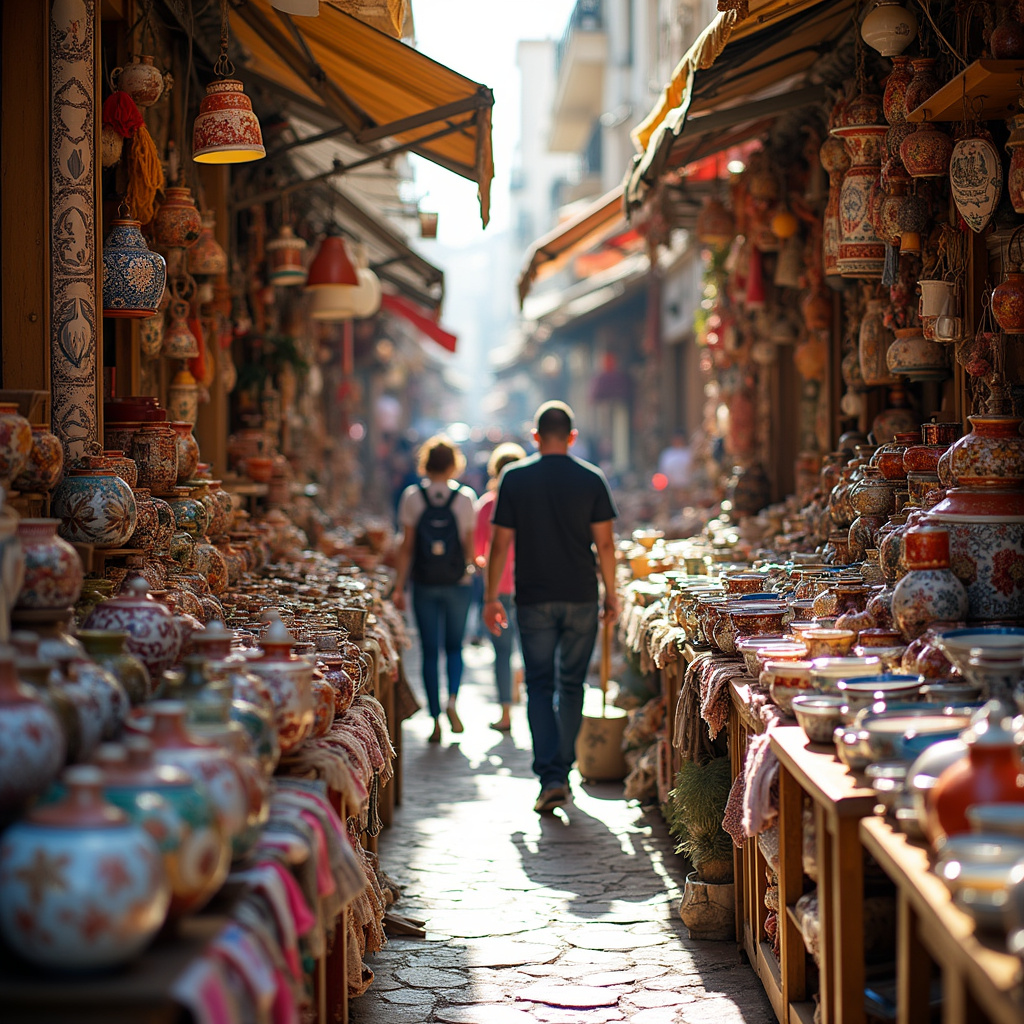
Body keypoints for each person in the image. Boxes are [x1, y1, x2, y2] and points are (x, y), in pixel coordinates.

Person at [483, 402, 619, 813]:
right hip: (580, 595)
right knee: (572, 684)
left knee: (539, 686)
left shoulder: (514, 478)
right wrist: (612, 593)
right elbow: (606, 544)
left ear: (535, 437)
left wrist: (491, 597)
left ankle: (551, 777)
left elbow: (500, 544)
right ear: (572, 437)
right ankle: (563, 769)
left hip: (534, 597)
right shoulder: (591, 479)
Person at [392, 435, 477, 743]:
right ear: (454, 465)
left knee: (430, 651)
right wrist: (471, 566)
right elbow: (469, 545)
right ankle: (452, 699)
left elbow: (406, 547)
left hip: (425, 583)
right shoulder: (465, 498)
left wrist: (399, 585)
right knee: (455, 648)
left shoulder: (412, 497)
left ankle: (435, 719)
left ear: (425, 464)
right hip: (458, 583)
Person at [473, 441, 527, 732]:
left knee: (502, 652)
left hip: (498, 588)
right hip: (530, 584)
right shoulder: (532, 502)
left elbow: (479, 552)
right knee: (530, 647)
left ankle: (506, 712)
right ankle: (523, 686)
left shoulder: (487, 505)